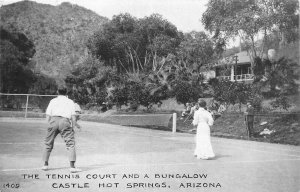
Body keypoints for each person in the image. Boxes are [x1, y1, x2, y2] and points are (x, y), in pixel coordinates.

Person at [42, 87, 81, 173]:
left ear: (57, 92)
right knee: (70, 144)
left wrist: (49, 125)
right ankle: (72, 167)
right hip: (65, 121)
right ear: (66, 92)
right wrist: (73, 127)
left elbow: (48, 115)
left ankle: (45, 165)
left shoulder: (53, 101)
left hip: (53, 120)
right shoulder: (70, 102)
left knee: (48, 143)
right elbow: (73, 117)